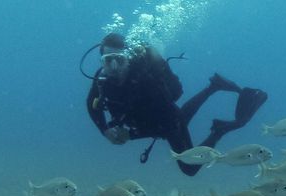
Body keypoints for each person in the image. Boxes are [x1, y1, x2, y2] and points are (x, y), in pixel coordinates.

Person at [85, 33, 267, 176]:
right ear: (102, 62)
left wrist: (130, 135)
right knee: (183, 117)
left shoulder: (145, 79)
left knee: (189, 168)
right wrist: (105, 130)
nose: (114, 66)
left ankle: (218, 130)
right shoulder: (102, 79)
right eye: (108, 60)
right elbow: (90, 104)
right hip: (152, 120)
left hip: (166, 121)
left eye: (120, 59)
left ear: (129, 58)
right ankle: (214, 87)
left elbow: (164, 125)